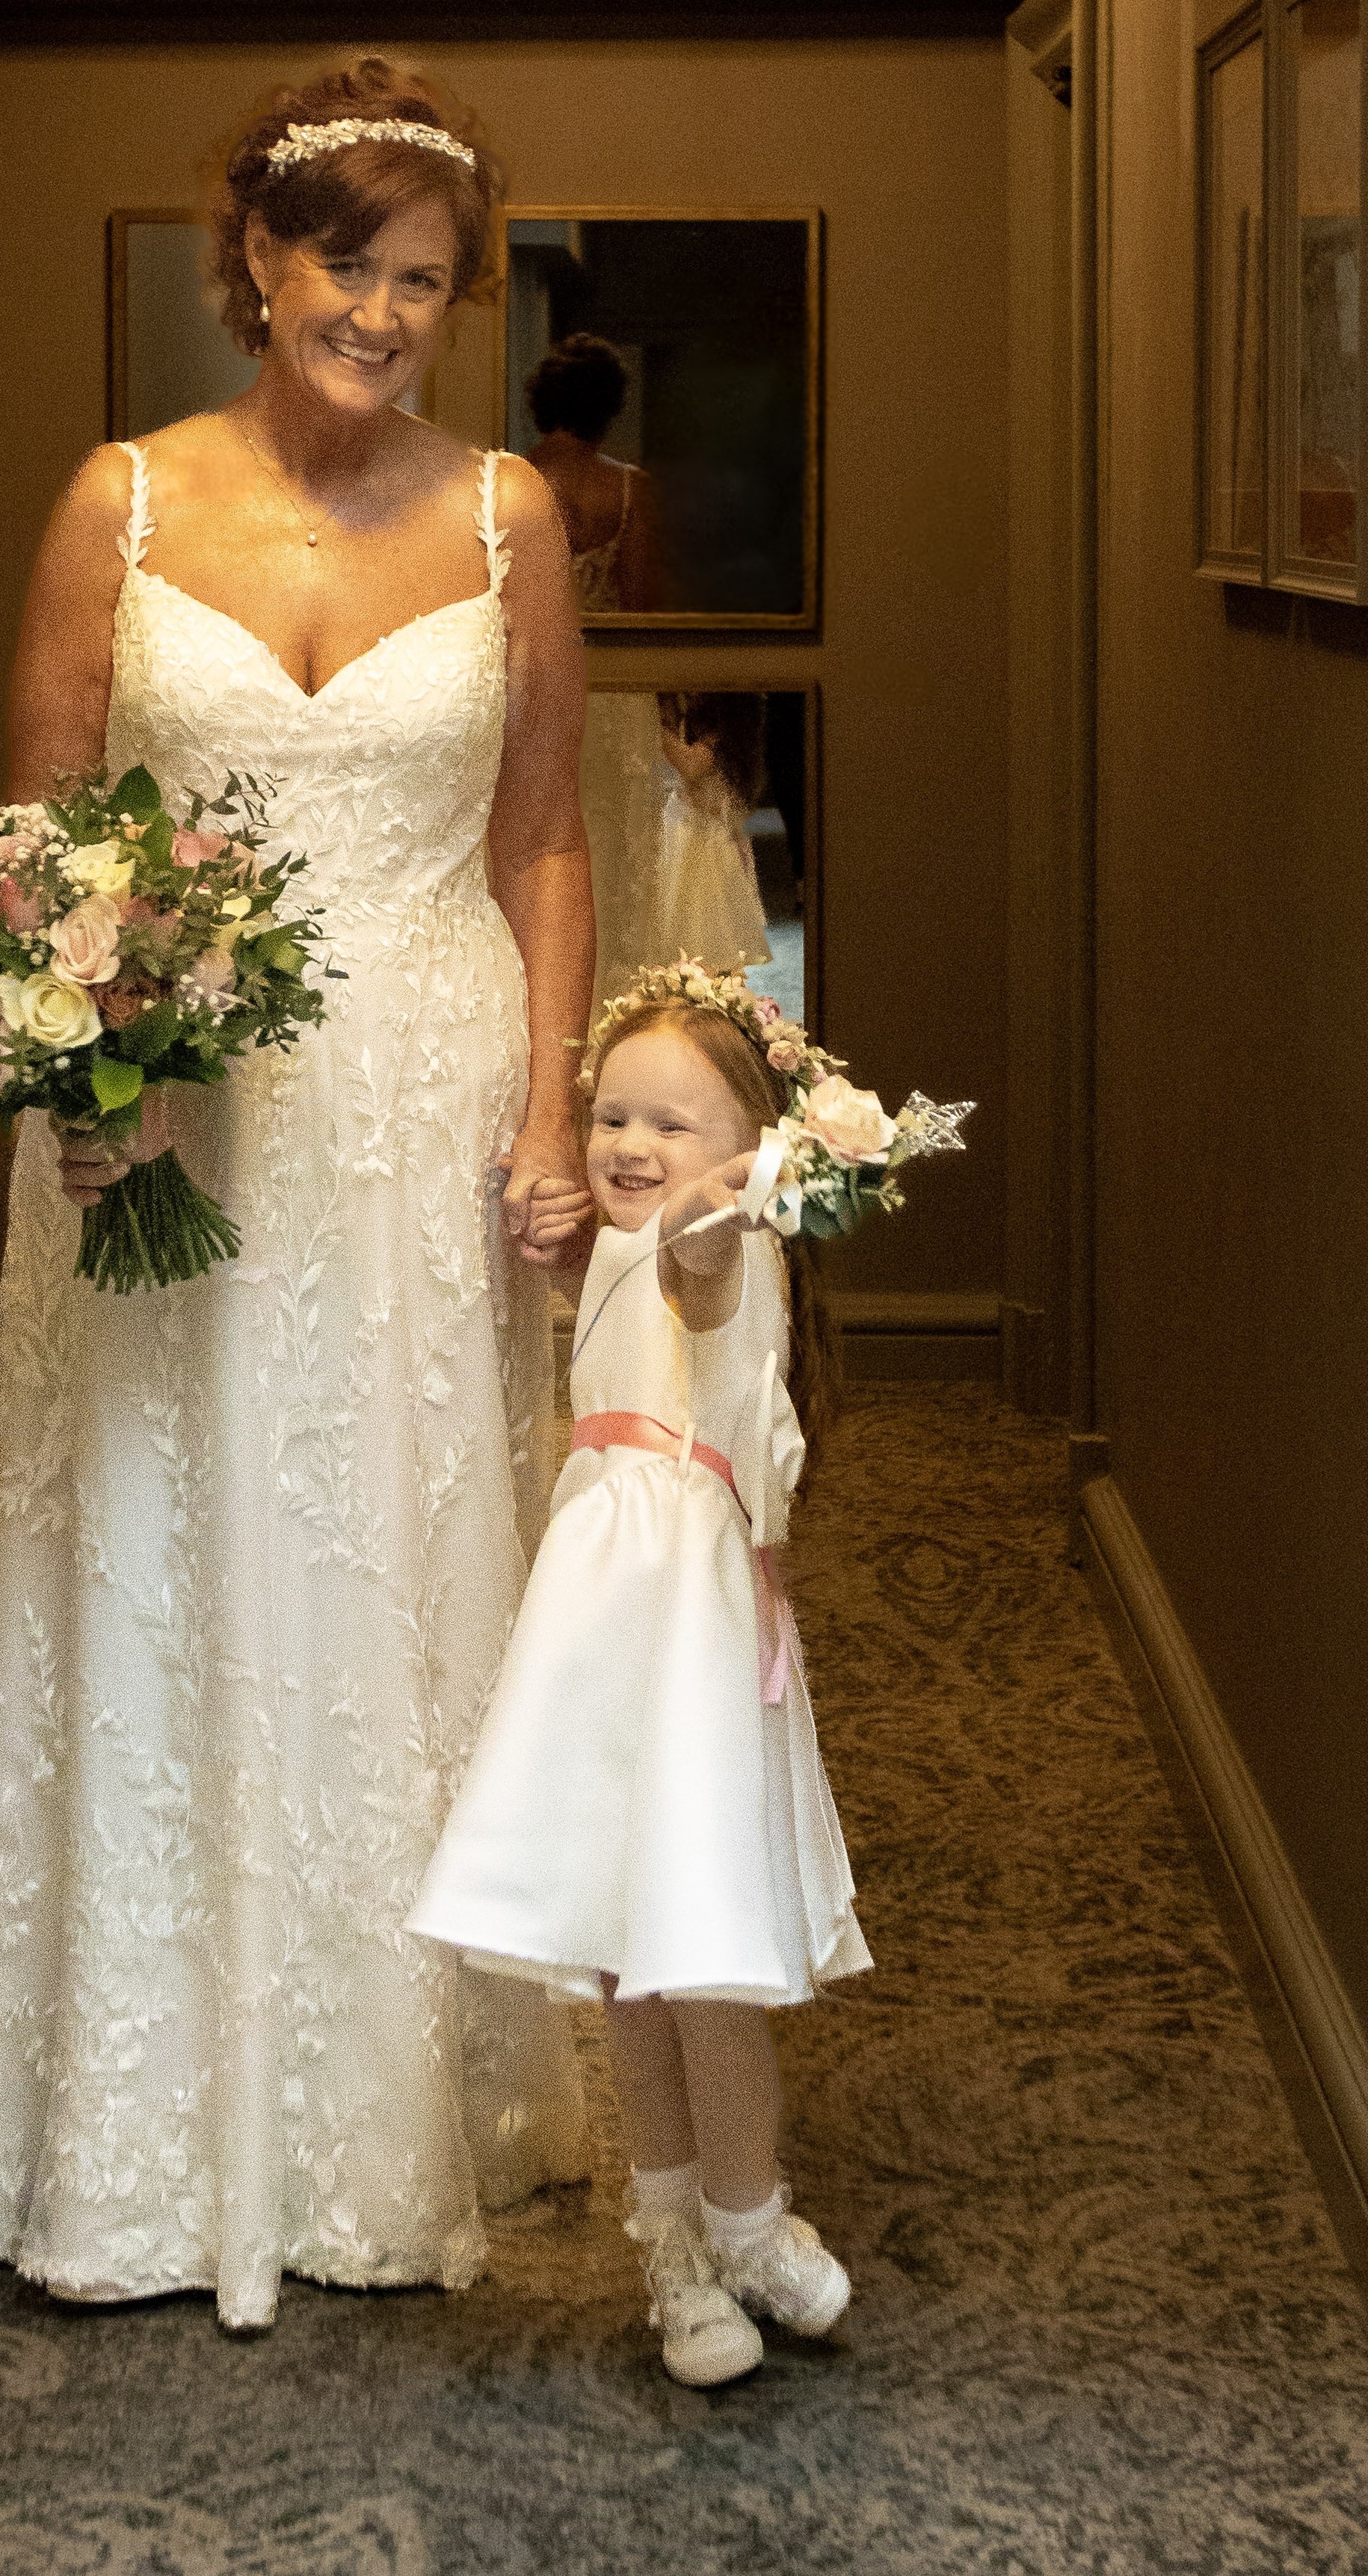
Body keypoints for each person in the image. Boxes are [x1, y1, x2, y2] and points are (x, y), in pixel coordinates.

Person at [0, 60, 598, 2333]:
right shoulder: (119, 502)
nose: (382, 316)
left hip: (422, 1106)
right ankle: (147, 2122)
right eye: (346, 266)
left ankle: (387, 2114)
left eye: (423, 282)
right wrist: (76, 1065)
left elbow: (543, 836)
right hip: (173, 1118)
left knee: (398, 1563)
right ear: (253, 256)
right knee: (166, 1549)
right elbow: (36, 836)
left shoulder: (509, 514)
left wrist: (548, 1117)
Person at [410, 967, 869, 2385]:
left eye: (672, 1123)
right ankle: (671, 2237)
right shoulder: (623, 1245)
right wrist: (583, 1214)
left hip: (691, 1639)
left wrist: (728, 1195)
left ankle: (748, 2218)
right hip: (600, 1630)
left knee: (705, 1951)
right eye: (612, 1114)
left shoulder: (722, 1249)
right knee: (627, 1952)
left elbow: (692, 1259)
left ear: (748, 1148)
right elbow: (619, 1259)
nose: (627, 1143)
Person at [523, 335, 668, 1011]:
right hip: (615, 693)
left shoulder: (509, 482)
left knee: (536, 842)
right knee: (616, 850)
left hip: (530, 691)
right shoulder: (631, 489)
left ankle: (545, 996)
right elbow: (642, 607)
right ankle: (618, 1005)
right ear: (609, 406)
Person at [657, 691, 772, 973]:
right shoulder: (719, 736)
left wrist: (656, 728)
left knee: (710, 914)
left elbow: (691, 765)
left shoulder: (719, 737)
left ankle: (712, 978)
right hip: (690, 827)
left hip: (703, 833)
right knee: (690, 911)